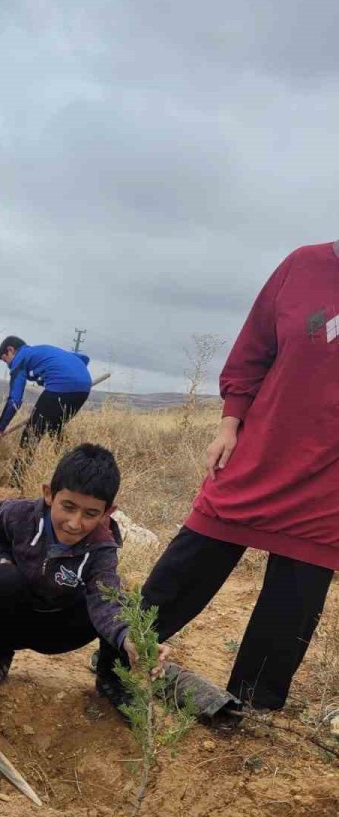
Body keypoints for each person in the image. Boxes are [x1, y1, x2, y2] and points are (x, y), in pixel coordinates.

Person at [97, 241, 338, 713]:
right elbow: (254, 349)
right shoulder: (304, 265)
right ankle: (117, 661)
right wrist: (230, 421)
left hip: (331, 478)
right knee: (188, 565)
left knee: (296, 595)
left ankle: (253, 707)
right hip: (262, 448)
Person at [0, 443, 169, 705]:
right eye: (68, 507)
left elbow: (105, 600)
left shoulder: (102, 547)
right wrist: (0, 558)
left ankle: (111, 678)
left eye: (91, 513)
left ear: (107, 512)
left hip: (64, 631)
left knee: (120, 602)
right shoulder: (16, 514)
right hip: (17, 621)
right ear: (49, 494)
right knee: (1, 579)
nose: (74, 522)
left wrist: (129, 639)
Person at [0, 337, 93, 485]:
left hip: (62, 386)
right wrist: (77, 377)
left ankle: (14, 484)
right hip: (83, 389)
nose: (8, 366)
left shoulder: (21, 359)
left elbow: (14, 400)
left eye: (5, 360)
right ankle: (77, 475)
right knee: (55, 428)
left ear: (10, 350)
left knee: (31, 434)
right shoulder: (40, 351)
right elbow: (84, 359)